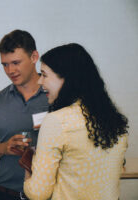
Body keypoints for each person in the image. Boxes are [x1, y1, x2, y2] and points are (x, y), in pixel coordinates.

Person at [24, 43, 128, 200]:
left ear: (66, 78)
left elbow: (38, 193)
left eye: (44, 75)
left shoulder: (57, 121)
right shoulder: (114, 120)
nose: (40, 82)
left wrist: (28, 167)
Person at [0, 30, 48, 200]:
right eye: (5, 64)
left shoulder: (56, 96)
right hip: (7, 195)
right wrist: (4, 148)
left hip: (50, 194)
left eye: (16, 62)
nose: (10, 70)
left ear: (34, 57)